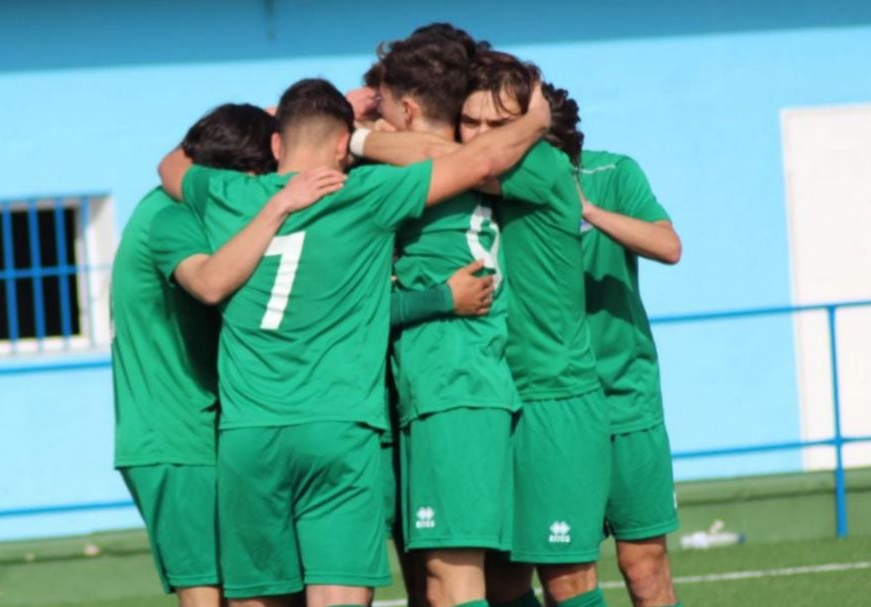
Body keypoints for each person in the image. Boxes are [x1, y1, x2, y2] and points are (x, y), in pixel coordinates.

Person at [157, 77, 550, 607]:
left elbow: (170, 165)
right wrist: (536, 121)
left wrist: (278, 111)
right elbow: (481, 162)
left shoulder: (229, 194)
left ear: (276, 144)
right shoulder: (365, 195)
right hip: (339, 430)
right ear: (343, 147)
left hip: (249, 434)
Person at [359, 50, 610, 607]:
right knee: (501, 583)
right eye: (468, 121)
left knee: (567, 580)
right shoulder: (481, 168)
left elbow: (450, 157)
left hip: (552, 392)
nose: (478, 136)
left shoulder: (536, 162)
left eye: (498, 125)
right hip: (498, 390)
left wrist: (354, 140)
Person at [112, 103, 340, 607]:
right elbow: (212, 285)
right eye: (263, 181)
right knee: (210, 595)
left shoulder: (175, 203)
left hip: (203, 433)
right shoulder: (174, 216)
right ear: (244, 176)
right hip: (178, 440)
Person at [360, 23, 520, 607]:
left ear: (404, 107)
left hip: (452, 386)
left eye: (379, 104)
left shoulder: (399, 176)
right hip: (456, 384)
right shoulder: (473, 165)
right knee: (447, 579)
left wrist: (352, 137)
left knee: (453, 579)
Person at [575, 149, 682, 607]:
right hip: (547, 406)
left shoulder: (612, 173)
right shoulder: (487, 184)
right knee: (565, 572)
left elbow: (669, 246)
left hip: (626, 398)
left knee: (644, 564)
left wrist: (590, 212)